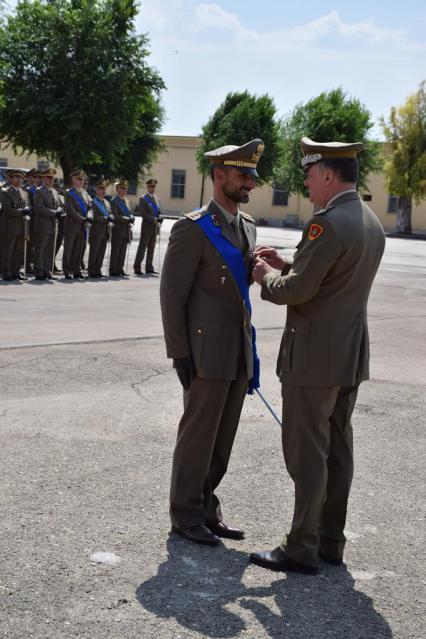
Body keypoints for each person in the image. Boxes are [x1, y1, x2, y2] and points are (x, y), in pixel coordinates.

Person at [249, 137, 386, 575]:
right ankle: (330, 541)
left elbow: (300, 293)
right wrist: (290, 262)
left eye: (309, 174)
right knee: (338, 450)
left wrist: (267, 274)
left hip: (312, 360)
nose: (306, 183)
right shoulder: (367, 219)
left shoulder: (324, 225)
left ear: (327, 174)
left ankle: (300, 547)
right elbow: (333, 277)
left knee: (307, 454)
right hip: (348, 354)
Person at [160, 138, 264, 546]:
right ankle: (184, 514)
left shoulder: (248, 225)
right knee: (198, 435)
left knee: (223, 437)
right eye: (242, 176)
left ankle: (206, 505)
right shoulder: (193, 227)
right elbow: (173, 295)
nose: (249, 185)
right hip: (204, 352)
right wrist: (179, 351)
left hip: (238, 349)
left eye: (252, 178)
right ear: (219, 175)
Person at [32, 168, 64, 280]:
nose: (51, 180)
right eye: (49, 177)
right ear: (44, 178)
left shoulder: (55, 192)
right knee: (41, 248)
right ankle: (39, 270)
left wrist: (60, 210)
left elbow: (59, 204)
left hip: (53, 225)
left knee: (50, 249)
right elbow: (39, 208)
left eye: (52, 177)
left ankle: (47, 270)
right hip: (42, 225)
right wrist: (54, 212)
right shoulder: (39, 191)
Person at [0, 169, 31, 281]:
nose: (19, 180)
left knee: (18, 251)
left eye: (21, 178)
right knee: (8, 250)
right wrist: (22, 212)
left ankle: (16, 271)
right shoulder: (5, 192)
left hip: (22, 225)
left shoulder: (24, 193)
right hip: (10, 226)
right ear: (11, 179)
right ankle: (6, 271)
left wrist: (27, 210)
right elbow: (7, 209)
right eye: (16, 177)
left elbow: (27, 206)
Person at [63, 169, 92, 280]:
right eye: (79, 179)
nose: (81, 181)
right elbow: (70, 210)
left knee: (79, 249)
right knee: (69, 249)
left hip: (82, 226)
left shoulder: (85, 193)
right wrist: (82, 219)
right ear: (73, 179)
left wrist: (89, 216)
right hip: (72, 225)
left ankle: (76, 270)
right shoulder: (68, 193)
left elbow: (90, 207)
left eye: (82, 179)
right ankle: (67, 270)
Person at [133, 178, 162, 275]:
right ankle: (137, 267)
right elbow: (143, 213)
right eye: (151, 186)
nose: (153, 188)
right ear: (147, 187)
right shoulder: (143, 198)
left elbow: (158, 211)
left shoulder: (156, 199)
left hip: (154, 227)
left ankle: (149, 267)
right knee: (142, 247)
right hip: (146, 226)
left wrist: (160, 217)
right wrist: (153, 219)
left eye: (154, 186)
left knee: (152, 247)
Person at [88, 180, 113, 277]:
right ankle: (91, 271)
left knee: (101, 251)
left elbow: (110, 213)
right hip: (97, 230)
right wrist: (106, 218)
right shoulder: (93, 202)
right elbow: (94, 216)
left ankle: (98, 269)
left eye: (104, 189)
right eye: (100, 189)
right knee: (94, 252)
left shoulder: (106, 202)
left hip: (105, 231)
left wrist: (111, 218)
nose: (102, 191)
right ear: (96, 190)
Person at [109, 179, 134, 277]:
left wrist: (131, 217)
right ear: (117, 189)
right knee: (116, 250)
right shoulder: (114, 201)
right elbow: (116, 215)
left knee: (123, 250)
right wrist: (128, 219)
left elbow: (129, 213)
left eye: (126, 188)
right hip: (118, 228)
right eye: (122, 188)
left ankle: (120, 268)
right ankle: (113, 269)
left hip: (126, 229)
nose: (125, 190)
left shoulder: (126, 201)